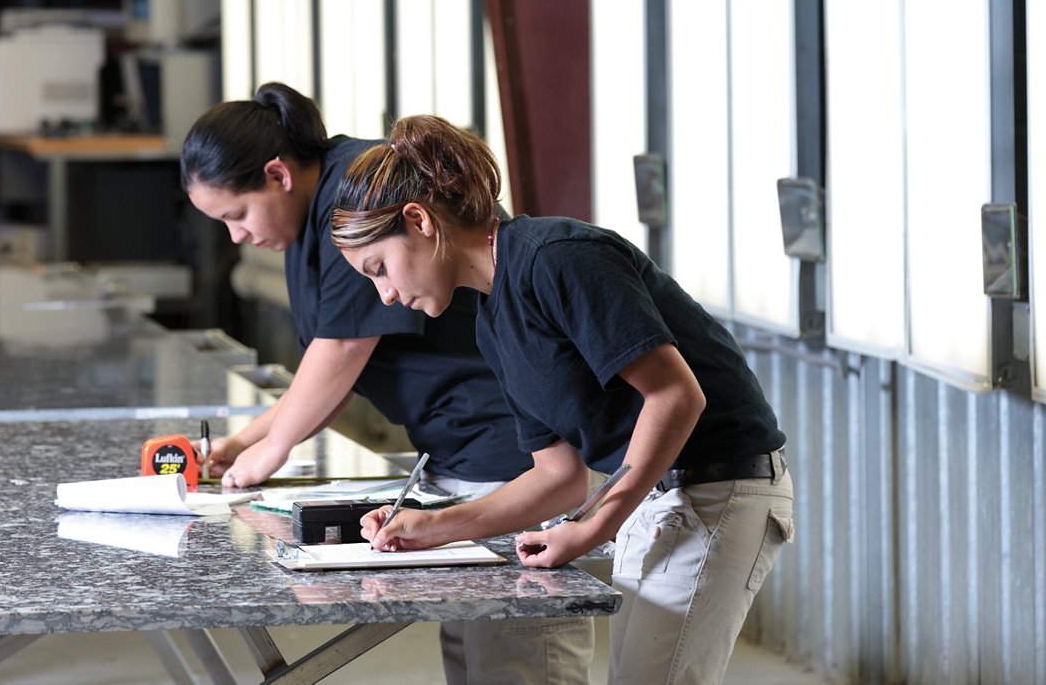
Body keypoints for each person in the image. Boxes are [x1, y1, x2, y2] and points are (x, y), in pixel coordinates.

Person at [329, 114, 794, 684]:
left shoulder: (557, 257)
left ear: (420, 220)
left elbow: (676, 396)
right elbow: (558, 477)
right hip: (657, 497)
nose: (386, 294)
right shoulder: (490, 322)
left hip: (717, 488)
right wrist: (434, 526)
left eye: (379, 268)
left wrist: (593, 525)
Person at [179, 83, 594, 684]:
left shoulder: (358, 195)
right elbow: (325, 365)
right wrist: (242, 444)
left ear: (277, 175)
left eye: (236, 215)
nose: (236, 236)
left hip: (518, 452)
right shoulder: (311, 223)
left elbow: (345, 348)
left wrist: (269, 451)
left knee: (519, 657)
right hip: (459, 451)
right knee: (476, 651)